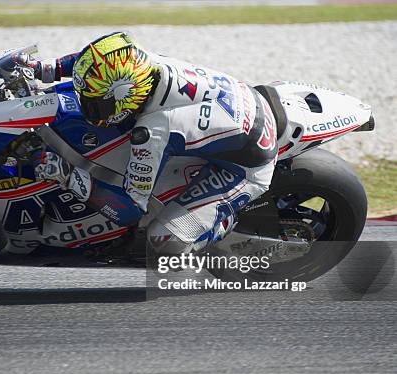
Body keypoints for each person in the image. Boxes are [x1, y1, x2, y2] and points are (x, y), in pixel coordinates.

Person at [30, 32, 277, 255]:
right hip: (244, 111)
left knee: (164, 241)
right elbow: (94, 62)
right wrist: (45, 68)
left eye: (95, 105)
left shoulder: (153, 131)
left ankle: (224, 225)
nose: (88, 109)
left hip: (244, 167)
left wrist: (67, 175)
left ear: (125, 98)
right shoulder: (140, 62)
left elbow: (129, 209)